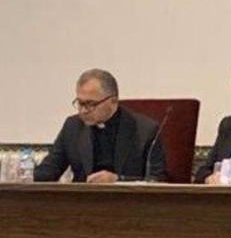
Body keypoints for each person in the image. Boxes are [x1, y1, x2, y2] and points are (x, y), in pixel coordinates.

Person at [34, 69, 166, 183]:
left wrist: (118, 181)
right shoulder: (72, 126)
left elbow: (156, 181)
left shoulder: (145, 130)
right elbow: (48, 171)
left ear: (113, 102)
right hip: (81, 206)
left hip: (127, 206)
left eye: (91, 104)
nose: (83, 111)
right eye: (80, 103)